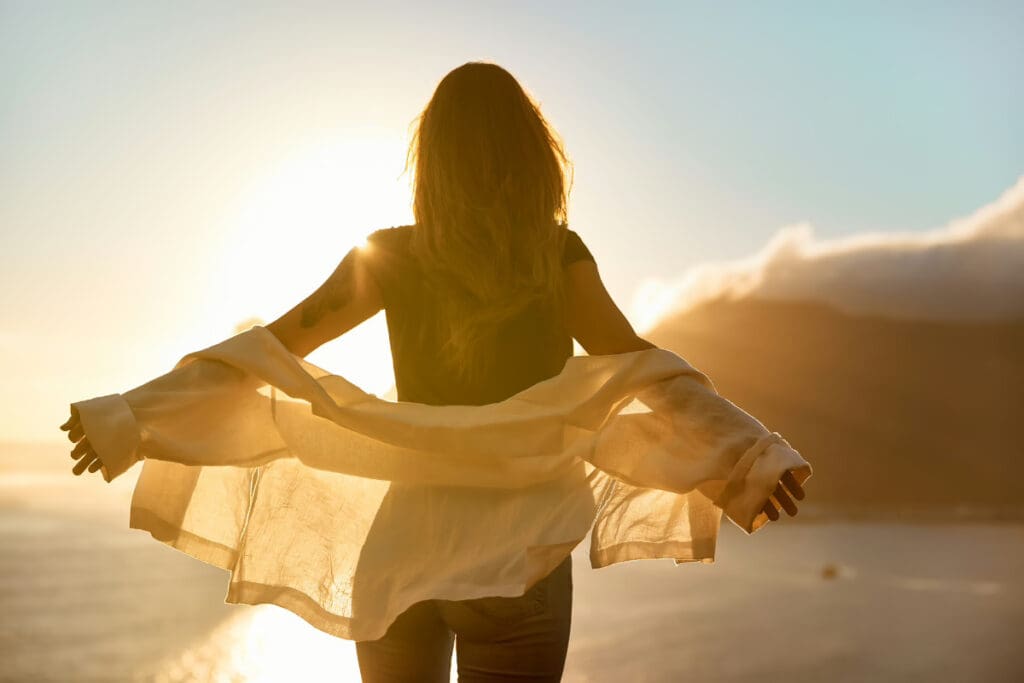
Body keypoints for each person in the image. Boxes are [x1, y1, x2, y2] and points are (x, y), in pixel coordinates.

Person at [64, 61, 805, 682]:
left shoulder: (391, 255)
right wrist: (750, 455)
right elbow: (650, 372)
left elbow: (270, 349)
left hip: (402, 553)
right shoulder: (558, 256)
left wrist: (131, 415)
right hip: (521, 553)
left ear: (433, 157)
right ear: (531, 156)